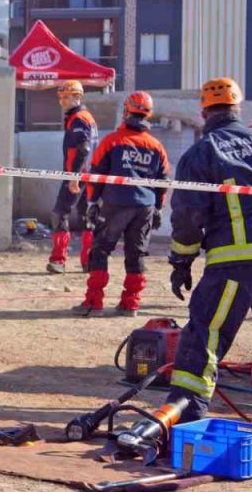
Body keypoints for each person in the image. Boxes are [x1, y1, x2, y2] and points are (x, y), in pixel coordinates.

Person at [165, 77, 252, 423]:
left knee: (205, 336)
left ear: (204, 112)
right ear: (238, 108)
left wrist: (181, 260)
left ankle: (186, 415)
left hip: (234, 263)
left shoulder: (202, 153)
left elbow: (189, 215)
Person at [73, 92, 168, 317]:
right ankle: (130, 304)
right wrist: (158, 208)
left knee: (101, 250)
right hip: (145, 206)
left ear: (127, 112)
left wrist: (92, 203)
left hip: (115, 204)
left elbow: (96, 175)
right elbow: (162, 182)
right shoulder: (157, 146)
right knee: (136, 254)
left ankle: (93, 303)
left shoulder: (112, 141)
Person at [48, 81, 98, 274]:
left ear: (78, 97)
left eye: (66, 97)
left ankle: (58, 261)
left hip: (77, 175)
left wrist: (73, 177)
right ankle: (89, 262)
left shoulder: (78, 119)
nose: (62, 101)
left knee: (60, 213)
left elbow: (83, 149)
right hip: (89, 176)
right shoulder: (86, 117)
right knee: (87, 217)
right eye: (61, 97)